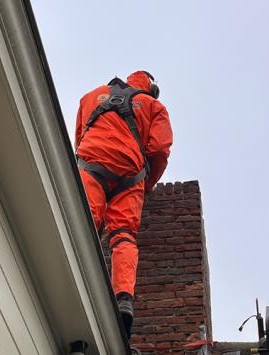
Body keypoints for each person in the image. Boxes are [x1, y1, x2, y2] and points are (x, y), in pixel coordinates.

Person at [74, 70, 173, 338]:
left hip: (91, 162)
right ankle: (123, 299)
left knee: (85, 219)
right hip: (130, 173)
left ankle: (74, 271)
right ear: (151, 89)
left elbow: (80, 137)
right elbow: (159, 150)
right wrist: (145, 183)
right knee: (123, 235)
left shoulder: (92, 96)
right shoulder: (155, 106)